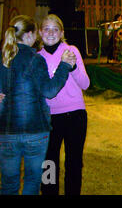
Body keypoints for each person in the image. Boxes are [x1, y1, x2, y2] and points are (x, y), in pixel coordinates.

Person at [0, 15, 75, 195]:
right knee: (32, 182)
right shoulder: (35, 59)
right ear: (31, 34)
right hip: (35, 130)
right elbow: (49, 90)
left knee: (9, 184)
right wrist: (64, 66)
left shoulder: (3, 59)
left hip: (7, 131)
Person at [38, 14, 90, 195]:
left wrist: (73, 67)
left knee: (73, 162)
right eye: (46, 29)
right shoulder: (36, 58)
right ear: (40, 32)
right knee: (48, 162)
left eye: (55, 29)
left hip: (74, 116)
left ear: (61, 33)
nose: (50, 33)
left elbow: (85, 84)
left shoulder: (71, 51)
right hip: (48, 118)